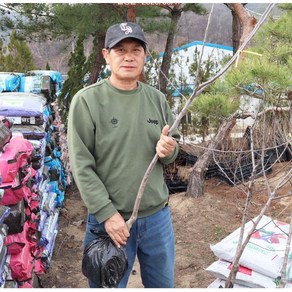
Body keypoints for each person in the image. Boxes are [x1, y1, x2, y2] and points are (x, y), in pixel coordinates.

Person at [67, 22, 180, 288]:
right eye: (120, 50)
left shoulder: (157, 100)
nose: (128, 56)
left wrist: (169, 150)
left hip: (157, 220)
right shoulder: (87, 102)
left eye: (135, 50)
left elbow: (170, 153)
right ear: (106, 55)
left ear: (144, 56)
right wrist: (108, 215)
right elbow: (82, 167)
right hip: (109, 222)